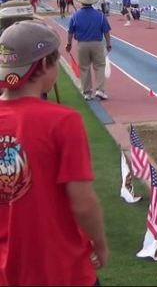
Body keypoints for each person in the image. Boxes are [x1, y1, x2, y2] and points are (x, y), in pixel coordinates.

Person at [0, 20, 109, 285]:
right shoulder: (63, 121)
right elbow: (82, 202)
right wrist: (100, 243)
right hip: (62, 268)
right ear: (45, 65)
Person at [66, 0, 112, 101]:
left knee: (84, 68)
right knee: (99, 66)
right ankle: (100, 90)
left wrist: (69, 44)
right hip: (97, 43)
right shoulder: (100, 15)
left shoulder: (75, 16)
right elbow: (106, 31)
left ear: (81, 2)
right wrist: (109, 43)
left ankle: (87, 92)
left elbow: (70, 32)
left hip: (82, 44)